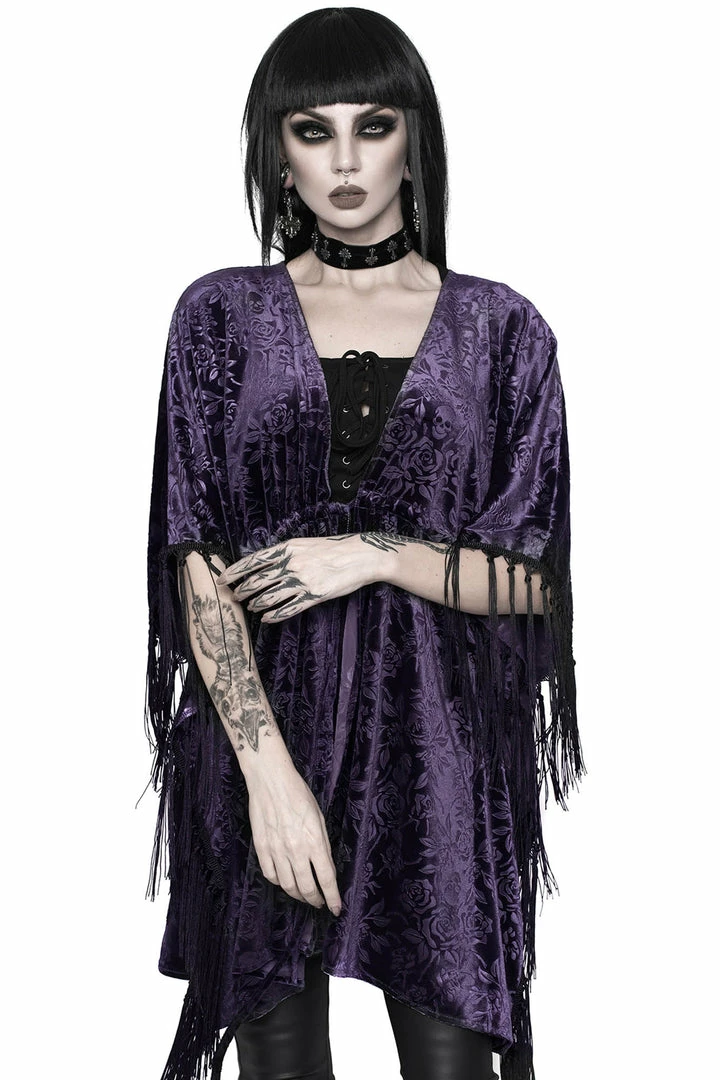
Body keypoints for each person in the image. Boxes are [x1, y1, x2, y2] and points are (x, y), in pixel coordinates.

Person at [144, 8, 586, 1080]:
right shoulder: (219, 316)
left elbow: (533, 581)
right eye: (313, 131)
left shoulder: (503, 331)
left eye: (373, 126)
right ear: (277, 153)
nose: (345, 162)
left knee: (451, 1060)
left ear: (414, 139)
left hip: (439, 749)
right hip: (262, 743)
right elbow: (195, 552)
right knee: (279, 1063)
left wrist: (378, 552)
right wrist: (268, 779)